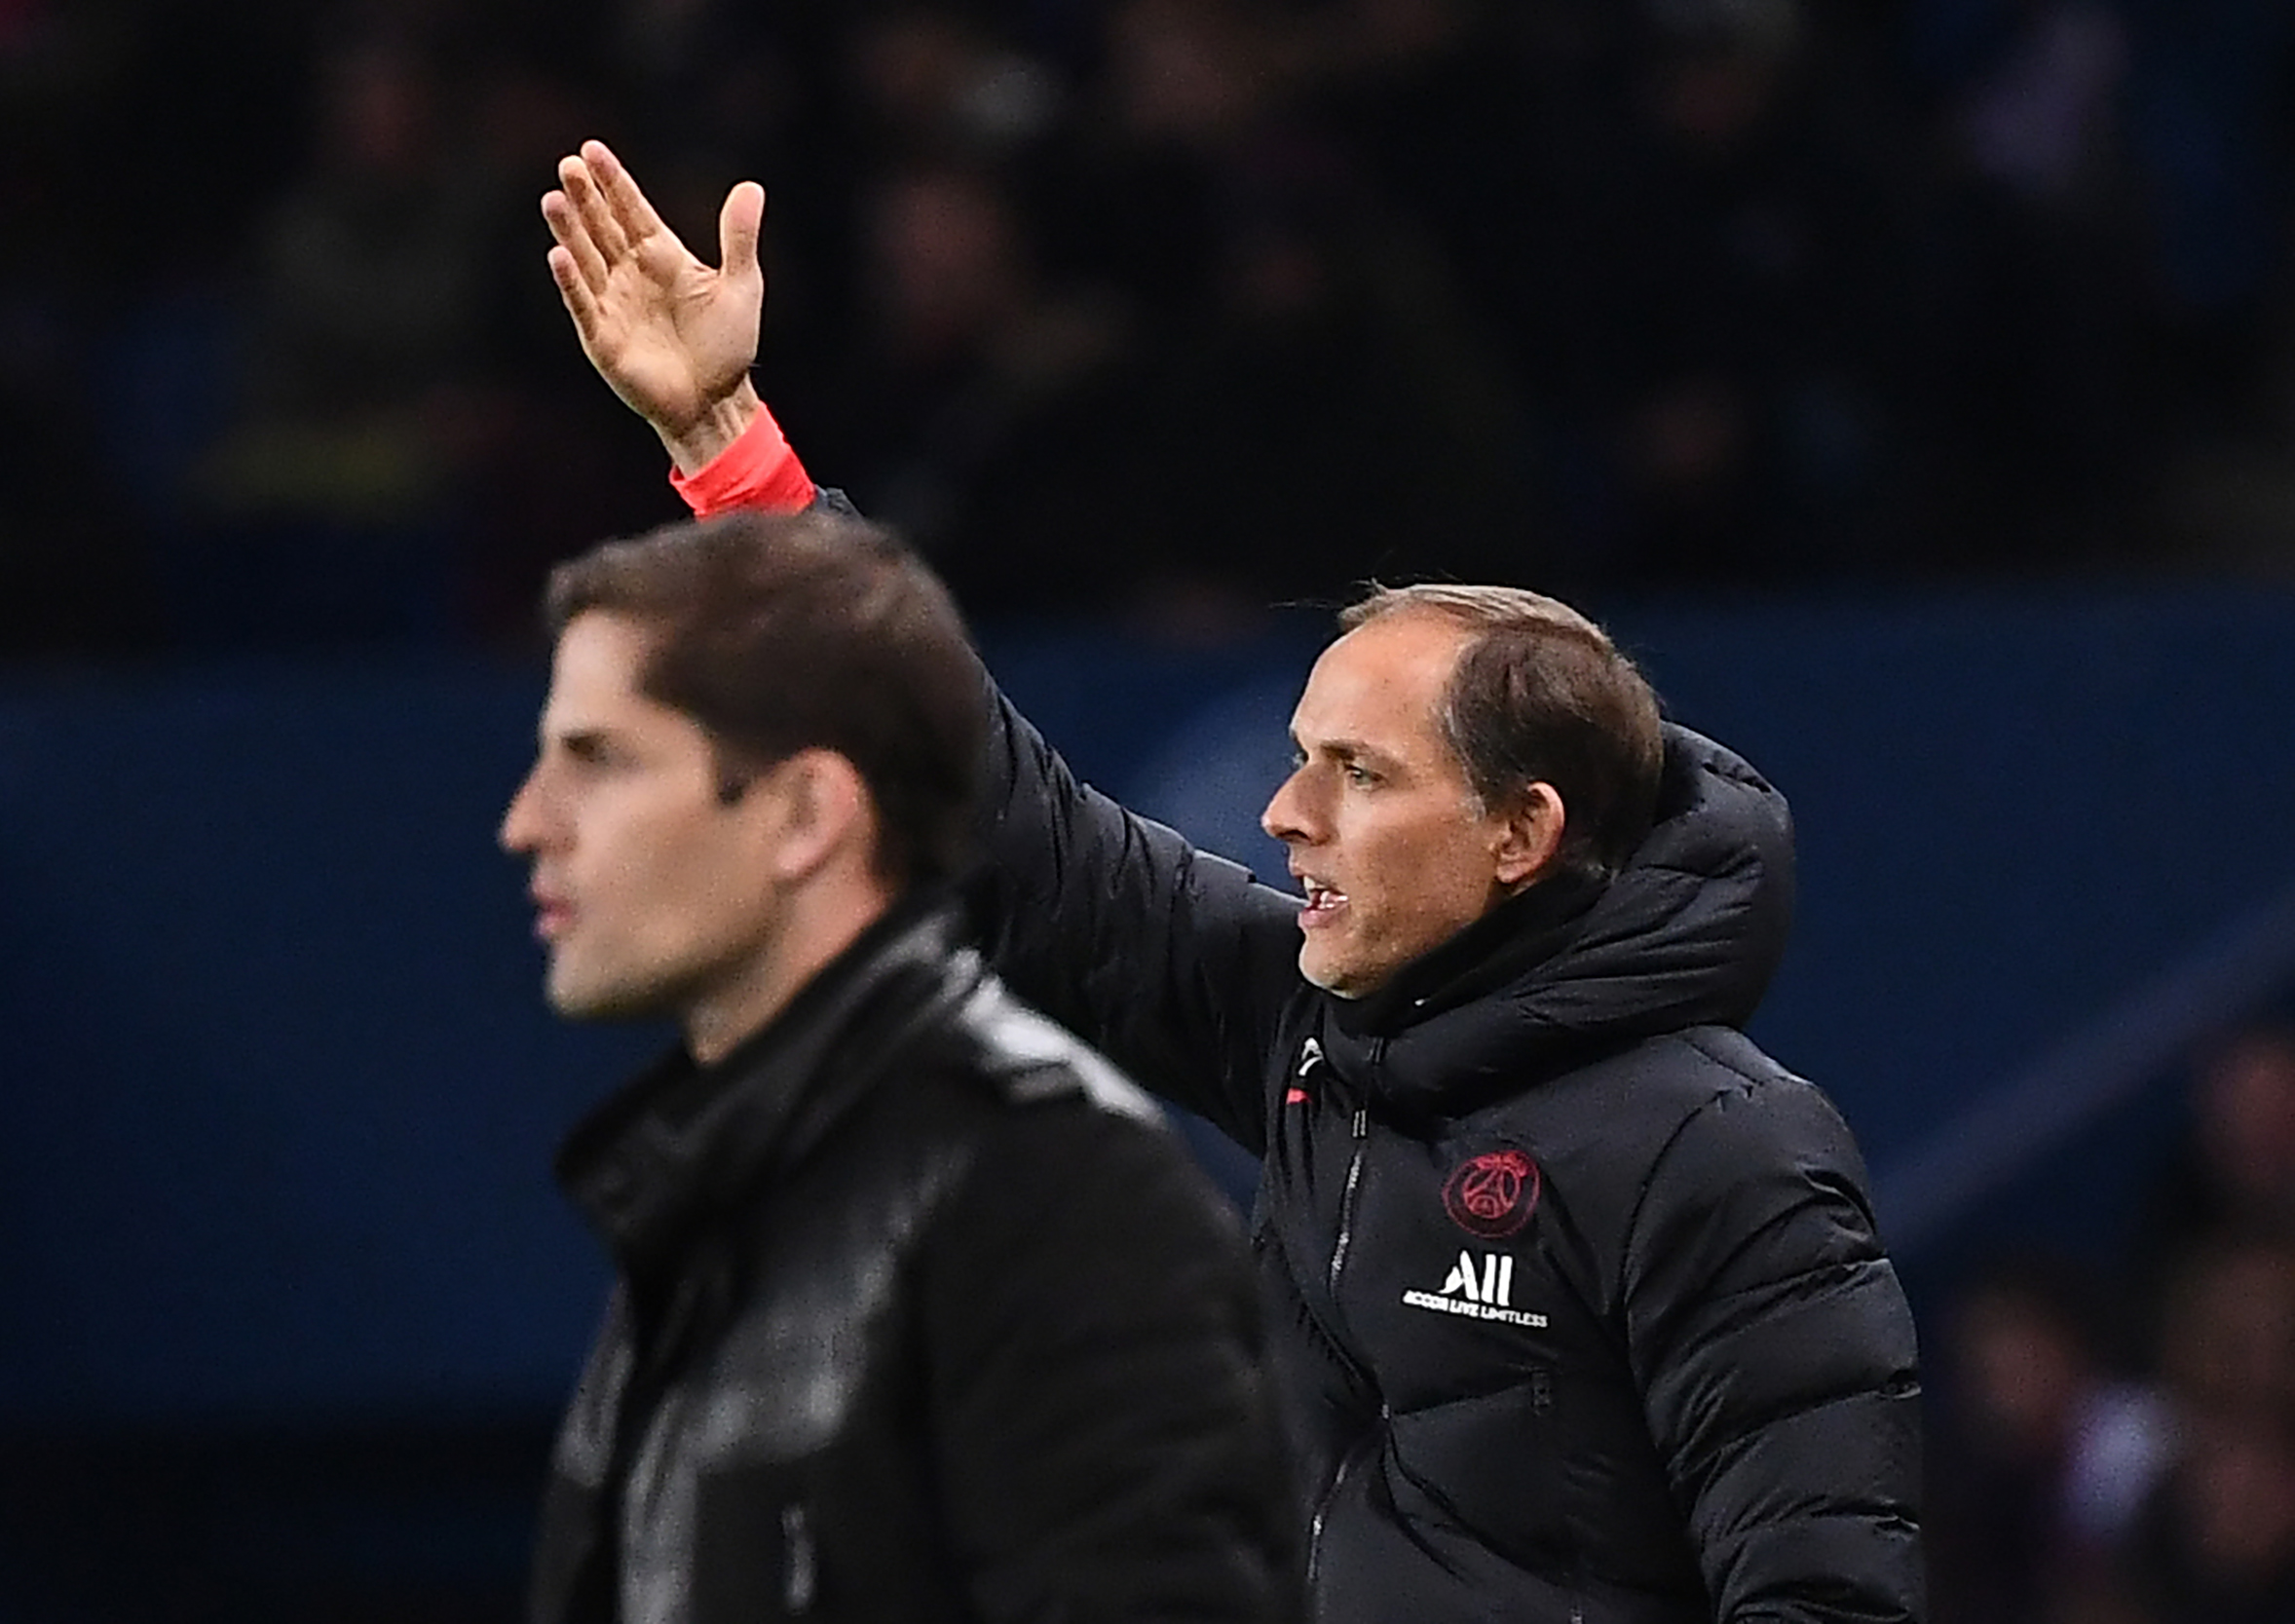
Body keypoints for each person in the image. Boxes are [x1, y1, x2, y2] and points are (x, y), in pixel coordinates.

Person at [538, 138, 1925, 1623]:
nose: (1285, 811)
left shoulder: (1729, 1153)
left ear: (1521, 831)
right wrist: (732, 448)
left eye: (1361, 772)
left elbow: (1829, 1598)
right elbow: (1013, 830)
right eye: (1301, 753)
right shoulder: (1311, 1030)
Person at [497, 506, 1296, 1622]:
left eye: (601, 761)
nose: (527, 821)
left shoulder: (1051, 1189)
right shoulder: (712, 1197)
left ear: (803, 815)